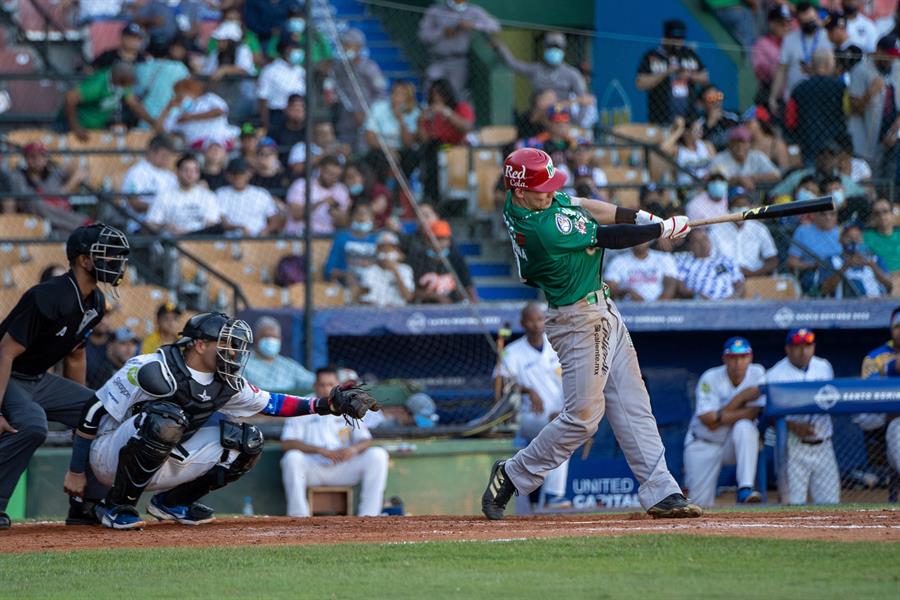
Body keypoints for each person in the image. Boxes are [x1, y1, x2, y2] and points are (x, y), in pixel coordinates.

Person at [481, 147, 701, 520]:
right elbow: (607, 236)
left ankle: (661, 490)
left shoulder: (537, 201)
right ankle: (513, 473)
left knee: (634, 405)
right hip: (578, 320)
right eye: (542, 188)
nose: (550, 193)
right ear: (519, 191)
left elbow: (584, 204)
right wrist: (660, 230)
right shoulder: (540, 228)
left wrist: (648, 217)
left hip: (603, 309)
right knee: (584, 417)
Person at [63, 313, 377, 529]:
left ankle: (172, 503)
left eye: (237, 345)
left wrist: (326, 404)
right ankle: (117, 506)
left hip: (166, 456)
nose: (235, 351)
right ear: (200, 344)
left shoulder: (226, 380)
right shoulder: (150, 366)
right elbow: (92, 412)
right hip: (109, 456)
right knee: (166, 419)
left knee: (248, 440)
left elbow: (272, 402)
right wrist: (77, 471)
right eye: (226, 344)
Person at [0, 224, 129, 530]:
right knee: (32, 426)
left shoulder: (96, 302)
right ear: (84, 260)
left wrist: (83, 419)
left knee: (104, 415)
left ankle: (86, 505)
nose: (117, 263)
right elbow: (4, 352)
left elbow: (76, 355)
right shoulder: (49, 295)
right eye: (108, 256)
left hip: (36, 378)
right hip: (8, 372)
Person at [738, 328, 840, 505]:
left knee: (830, 503)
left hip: (824, 443)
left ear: (813, 347)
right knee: (792, 504)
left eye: (807, 345)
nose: (803, 351)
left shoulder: (824, 367)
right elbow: (763, 412)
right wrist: (793, 425)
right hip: (792, 446)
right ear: (788, 349)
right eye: (798, 346)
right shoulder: (775, 374)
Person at [280, 366, 388, 517]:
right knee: (292, 458)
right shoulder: (303, 405)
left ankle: (369, 516)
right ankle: (299, 517)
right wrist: (320, 451)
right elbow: (287, 443)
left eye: (330, 384)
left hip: (343, 466)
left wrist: (353, 450)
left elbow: (366, 440)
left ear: (338, 385)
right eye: (322, 384)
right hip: (313, 468)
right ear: (315, 386)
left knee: (377, 455)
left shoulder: (347, 405)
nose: (326, 389)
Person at [495, 303, 571, 509]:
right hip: (527, 417)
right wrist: (527, 390)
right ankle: (554, 496)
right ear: (522, 323)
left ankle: (539, 501)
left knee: (558, 436)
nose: (536, 324)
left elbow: (574, 380)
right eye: (531, 320)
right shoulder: (513, 351)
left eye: (540, 319)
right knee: (559, 436)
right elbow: (501, 387)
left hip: (558, 413)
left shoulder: (558, 345)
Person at [683, 337, 765, 507]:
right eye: (733, 358)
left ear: (750, 358)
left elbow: (755, 412)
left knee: (745, 427)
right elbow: (709, 421)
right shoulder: (710, 377)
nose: (738, 363)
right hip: (703, 442)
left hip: (731, 444)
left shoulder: (757, 373)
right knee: (699, 505)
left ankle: (745, 488)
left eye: (743, 357)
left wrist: (722, 415)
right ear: (725, 359)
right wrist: (741, 397)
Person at [493, 32, 595, 129]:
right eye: (550, 47)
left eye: (557, 47)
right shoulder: (537, 69)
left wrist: (578, 122)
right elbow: (514, 65)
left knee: (552, 97)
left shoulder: (572, 74)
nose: (554, 50)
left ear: (563, 50)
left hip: (562, 118)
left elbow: (585, 99)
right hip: (539, 117)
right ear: (545, 48)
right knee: (547, 97)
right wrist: (501, 48)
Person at [855, 307, 900, 489]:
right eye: (898, 326)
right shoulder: (875, 357)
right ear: (891, 329)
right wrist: (890, 368)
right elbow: (869, 392)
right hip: (892, 421)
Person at [417, 0, 500, 96]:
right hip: (438, 59)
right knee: (430, 87)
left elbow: (495, 26)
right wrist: (442, 33)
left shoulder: (473, 11)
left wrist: (472, 25)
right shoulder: (436, 10)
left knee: (454, 94)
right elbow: (422, 35)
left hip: (458, 61)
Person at [636, 19, 708, 125]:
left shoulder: (689, 54)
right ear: (665, 37)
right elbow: (640, 83)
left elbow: (705, 78)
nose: (677, 42)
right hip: (661, 118)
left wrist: (689, 75)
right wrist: (666, 72)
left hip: (689, 118)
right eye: (673, 38)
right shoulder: (653, 56)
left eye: (680, 38)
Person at [62, 62, 159, 141]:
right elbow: (69, 98)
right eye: (127, 84)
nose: (129, 87)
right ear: (119, 81)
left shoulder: (122, 85)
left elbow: (134, 104)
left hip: (95, 127)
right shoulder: (97, 85)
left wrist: (153, 122)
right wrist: (75, 127)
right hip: (72, 127)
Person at [784, 48, 848, 163]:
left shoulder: (799, 89)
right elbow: (847, 113)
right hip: (834, 143)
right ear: (829, 64)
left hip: (807, 142)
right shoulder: (840, 88)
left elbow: (790, 120)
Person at [7, 142, 87, 233]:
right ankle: (82, 225)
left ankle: (81, 226)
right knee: (36, 202)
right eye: (33, 156)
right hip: (36, 216)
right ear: (26, 158)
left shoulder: (53, 172)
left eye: (42, 156)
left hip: (59, 215)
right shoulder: (19, 175)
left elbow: (81, 170)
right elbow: (26, 200)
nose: (37, 160)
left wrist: (66, 188)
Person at [769, 2, 833, 113]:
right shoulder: (789, 39)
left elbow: (833, 68)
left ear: (817, 16)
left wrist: (815, 69)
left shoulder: (827, 37)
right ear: (798, 21)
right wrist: (773, 97)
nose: (809, 24)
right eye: (805, 22)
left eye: (811, 20)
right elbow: (781, 70)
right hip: (794, 98)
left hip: (821, 97)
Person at [848, 35, 900, 166]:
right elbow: (854, 109)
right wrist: (869, 93)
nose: (891, 59)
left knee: (889, 182)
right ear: (878, 50)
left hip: (892, 137)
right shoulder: (861, 70)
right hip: (867, 138)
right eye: (888, 55)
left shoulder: (897, 69)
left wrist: (894, 132)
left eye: (894, 56)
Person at [332, 28, 388, 146]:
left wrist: (367, 113)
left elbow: (381, 94)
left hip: (368, 121)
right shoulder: (340, 67)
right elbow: (336, 88)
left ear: (359, 47)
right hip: (346, 119)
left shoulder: (370, 68)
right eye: (343, 45)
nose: (344, 48)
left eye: (347, 45)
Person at [708, 188, 778, 278]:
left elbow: (772, 259)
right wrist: (735, 271)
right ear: (729, 207)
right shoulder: (716, 229)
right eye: (738, 206)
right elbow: (711, 261)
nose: (741, 209)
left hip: (755, 276)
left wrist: (755, 273)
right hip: (727, 278)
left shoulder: (759, 228)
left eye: (744, 205)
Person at [146, 154, 222, 235]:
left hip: (200, 242)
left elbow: (213, 223)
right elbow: (151, 223)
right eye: (186, 170)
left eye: (194, 171)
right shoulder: (165, 195)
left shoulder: (208, 196)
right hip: (172, 241)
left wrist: (191, 233)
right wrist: (166, 226)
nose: (190, 174)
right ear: (177, 172)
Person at [408, 220, 476, 304]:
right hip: (425, 309)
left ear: (449, 241)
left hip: (453, 308)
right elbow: (411, 291)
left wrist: (474, 303)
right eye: (436, 238)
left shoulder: (456, 259)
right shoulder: (418, 259)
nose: (439, 242)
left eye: (443, 238)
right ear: (427, 241)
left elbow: (468, 286)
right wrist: (437, 297)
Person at [161, 78, 238, 150]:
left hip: (221, 141)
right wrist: (168, 107)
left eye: (183, 94)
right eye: (178, 95)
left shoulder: (209, 98)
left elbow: (219, 112)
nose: (181, 97)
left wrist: (190, 118)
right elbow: (162, 128)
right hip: (197, 148)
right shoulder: (176, 113)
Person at [242, 316, 314, 393]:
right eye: (266, 336)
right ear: (256, 338)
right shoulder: (243, 363)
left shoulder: (288, 365)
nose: (271, 340)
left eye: (274, 337)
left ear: (280, 340)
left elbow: (313, 382)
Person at [821, 222, 892, 297]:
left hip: (875, 302)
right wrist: (845, 266)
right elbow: (825, 290)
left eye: (857, 237)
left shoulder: (875, 258)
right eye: (849, 237)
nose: (854, 241)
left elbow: (889, 285)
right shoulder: (832, 260)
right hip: (845, 305)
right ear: (840, 239)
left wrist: (872, 265)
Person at [120, 134, 178, 227]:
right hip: (141, 224)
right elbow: (134, 204)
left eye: (168, 156)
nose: (166, 160)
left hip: (170, 224)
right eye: (163, 155)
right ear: (151, 151)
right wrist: (160, 209)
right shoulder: (136, 172)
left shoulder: (171, 176)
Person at [363, 80, 420, 174]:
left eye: (402, 95)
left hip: (402, 150)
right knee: (377, 158)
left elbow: (408, 143)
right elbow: (369, 137)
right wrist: (388, 150)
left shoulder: (414, 112)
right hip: (381, 149)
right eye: (395, 93)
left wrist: (401, 120)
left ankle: (402, 187)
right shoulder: (378, 108)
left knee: (412, 157)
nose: (397, 98)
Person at [216, 158, 283, 237]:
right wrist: (238, 227)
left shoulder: (261, 194)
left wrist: (267, 229)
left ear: (248, 174)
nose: (238, 177)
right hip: (231, 241)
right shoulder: (220, 193)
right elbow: (222, 221)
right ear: (228, 175)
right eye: (234, 174)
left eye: (241, 174)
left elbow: (274, 219)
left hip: (259, 239)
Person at [285, 155, 351, 235]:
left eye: (336, 176)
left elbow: (344, 223)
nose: (333, 178)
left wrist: (335, 213)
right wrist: (321, 202)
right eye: (330, 174)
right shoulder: (302, 184)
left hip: (326, 237)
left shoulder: (341, 190)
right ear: (320, 169)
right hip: (299, 235)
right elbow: (296, 214)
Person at [675, 229, 745, 300]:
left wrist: (733, 297)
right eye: (697, 242)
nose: (703, 244)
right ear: (689, 246)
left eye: (705, 239)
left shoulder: (726, 260)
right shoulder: (684, 261)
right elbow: (681, 287)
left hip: (729, 303)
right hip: (700, 304)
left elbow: (739, 283)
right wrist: (697, 296)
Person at [787, 208, 842, 295]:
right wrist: (811, 265)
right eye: (823, 214)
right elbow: (792, 261)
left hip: (840, 270)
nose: (828, 217)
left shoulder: (842, 232)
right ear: (814, 215)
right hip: (814, 271)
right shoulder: (803, 231)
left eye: (832, 214)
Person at [708, 126, 781, 191]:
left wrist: (752, 178)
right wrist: (738, 180)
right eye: (736, 142)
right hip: (727, 199)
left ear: (749, 144)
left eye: (743, 142)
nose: (740, 146)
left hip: (755, 195)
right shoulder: (719, 159)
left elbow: (776, 175)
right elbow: (713, 182)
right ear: (729, 144)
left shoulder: (757, 156)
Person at [323, 203, 378, 286]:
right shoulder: (341, 239)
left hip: (372, 284)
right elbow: (329, 270)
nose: (362, 217)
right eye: (359, 213)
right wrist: (345, 275)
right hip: (345, 284)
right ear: (352, 217)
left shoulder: (378, 241)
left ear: (372, 218)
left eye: (366, 214)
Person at [604, 242, 679, 302]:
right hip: (629, 309)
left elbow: (670, 286)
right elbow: (608, 289)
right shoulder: (618, 261)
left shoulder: (664, 258)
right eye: (635, 238)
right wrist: (627, 292)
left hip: (660, 308)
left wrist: (656, 307)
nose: (639, 240)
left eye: (642, 237)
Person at [256, 38, 305, 132]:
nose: (298, 52)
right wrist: (265, 124)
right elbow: (262, 99)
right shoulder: (270, 70)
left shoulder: (301, 71)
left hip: (299, 115)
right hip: (277, 115)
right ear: (285, 50)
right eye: (293, 49)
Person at [355, 232, 415, 307]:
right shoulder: (370, 270)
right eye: (383, 249)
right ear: (377, 251)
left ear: (396, 251)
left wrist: (395, 272)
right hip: (376, 313)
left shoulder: (405, 269)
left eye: (390, 249)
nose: (386, 252)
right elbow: (361, 299)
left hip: (398, 312)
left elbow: (408, 297)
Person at [752, 5, 792, 105]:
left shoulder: (795, 44)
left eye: (788, 22)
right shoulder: (762, 43)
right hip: (772, 96)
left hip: (793, 97)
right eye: (781, 23)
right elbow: (761, 72)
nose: (786, 26)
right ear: (771, 23)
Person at [660, 116, 715, 185]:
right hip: (688, 189)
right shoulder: (679, 150)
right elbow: (663, 148)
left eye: (701, 130)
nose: (700, 133)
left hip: (708, 186)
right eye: (696, 131)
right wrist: (679, 130)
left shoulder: (707, 145)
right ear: (686, 133)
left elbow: (715, 166)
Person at [250, 137, 293, 201]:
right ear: (256, 156)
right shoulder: (252, 179)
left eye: (269, 153)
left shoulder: (286, 176)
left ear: (276, 155)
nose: (266, 157)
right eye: (262, 153)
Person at [863, 198, 900, 271]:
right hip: (880, 279)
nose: (881, 216)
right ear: (872, 217)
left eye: (885, 211)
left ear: (892, 215)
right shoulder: (865, 237)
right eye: (877, 213)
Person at [270, 94, 306, 166]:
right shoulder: (276, 131)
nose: (298, 112)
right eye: (294, 108)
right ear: (286, 110)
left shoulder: (310, 131)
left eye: (301, 108)